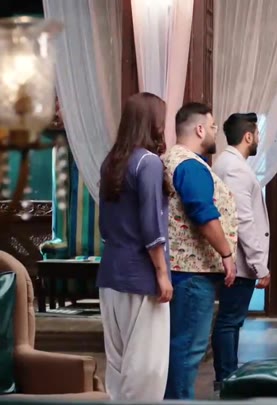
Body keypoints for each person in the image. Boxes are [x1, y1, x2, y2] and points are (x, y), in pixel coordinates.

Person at [97, 92, 173, 400]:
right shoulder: (148, 162)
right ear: (153, 122)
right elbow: (152, 226)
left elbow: (105, 224)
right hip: (142, 275)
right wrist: (162, 274)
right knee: (146, 371)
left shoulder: (111, 163)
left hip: (110, 274)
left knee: (118, 369)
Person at [163, 102, 239, 399]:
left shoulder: (173, 159)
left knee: (181, 345)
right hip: (193, 274)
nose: (215, 131)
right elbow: (203, 213)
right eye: (212, 126)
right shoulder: (189, 165)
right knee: (188, 348)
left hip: (184, 271)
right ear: (199, 129)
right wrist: (226, 254)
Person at [211, 112, 270, 388]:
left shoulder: (227, 163)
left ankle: (228, 376)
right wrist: (260, 265)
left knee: (230, 321)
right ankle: (226, 380)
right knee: (229, 321)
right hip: (238, 261)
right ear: (248, 136)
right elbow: (243, 220)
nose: (258, 139)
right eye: (257, 134)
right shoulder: (235, 168)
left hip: (235, 259)